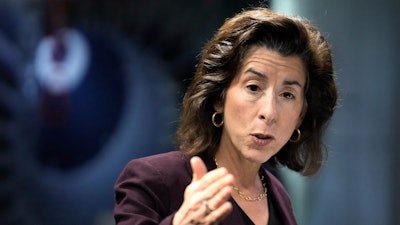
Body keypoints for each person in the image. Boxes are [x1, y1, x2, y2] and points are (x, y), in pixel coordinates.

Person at [113, 7, 338, 225]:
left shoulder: (277, 193)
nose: (269, 112)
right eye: (253, 87)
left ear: (301, 116)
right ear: (219, 98)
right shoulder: (154, 180)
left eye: (288, 94)